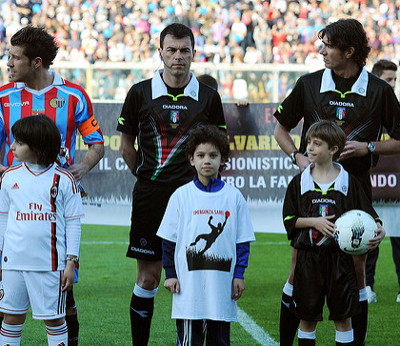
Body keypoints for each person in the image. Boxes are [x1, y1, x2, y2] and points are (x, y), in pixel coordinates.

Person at [273, 18, 400, 346]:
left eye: (328, 45)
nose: (321, 51)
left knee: (356, 267)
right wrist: (297, 158)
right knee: (299, 262)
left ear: (350, 51)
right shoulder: (309, 83)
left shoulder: (379, 91)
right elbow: (281, 130)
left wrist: (369, 147)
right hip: (310, 185)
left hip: (354, 188)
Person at [116, 23, 226, 345]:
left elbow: (218, 147)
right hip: (150, 196)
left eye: (185, 51)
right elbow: (126, 146)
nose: (178, 57)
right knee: (148, 279)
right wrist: (149, 176)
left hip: (193, 199)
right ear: (160, 52)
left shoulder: (208, 97)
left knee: (193, 276)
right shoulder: (139, 92)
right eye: (172, 50)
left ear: (194, 53)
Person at [0, 25, 105, 346]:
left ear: (36, 62)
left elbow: (96, 143)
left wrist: (81, 168)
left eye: (15, 58)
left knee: (62, 291)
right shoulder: (3, 98)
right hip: (14, 203)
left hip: (55, 204)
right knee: (8, 300)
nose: (8, 63)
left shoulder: (73, 96)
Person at [283, 120, 382, 346]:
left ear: (333, 149)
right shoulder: (299, 183)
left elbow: (368, 213)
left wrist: (380, 227)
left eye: (317, 144)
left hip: (341, 261)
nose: (309, 148)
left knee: (343, 319)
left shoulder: (350, 182)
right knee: (307, 320)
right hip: (309, 259)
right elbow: (289, 220)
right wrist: (314, 222)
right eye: (309, 142)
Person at [157, 125, 255, 345]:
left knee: (219, 340)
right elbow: (168, 240)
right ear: (192, 160)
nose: (207, 161)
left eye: (213, 155)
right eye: (200, 155)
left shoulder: (234, 197)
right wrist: (170, 273)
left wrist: (239, 274)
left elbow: (242, 241)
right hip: (188, 289)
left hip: (222, 287)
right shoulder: (181, 196)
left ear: (222, 159)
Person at [0, 115, 84, 346]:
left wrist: (71, 262)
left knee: (55, 320)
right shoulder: (9, 177)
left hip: (49, 265)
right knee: (11, 318)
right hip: (13, 263)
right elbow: (3, 221)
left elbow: (74, 223)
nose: (12, 146)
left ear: (37, 146)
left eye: (19, 142)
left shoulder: (64, 179)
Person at [367, 59, 400, 304]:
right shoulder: (365, 107)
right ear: (377, 79)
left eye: (395, 81)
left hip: (396, 185)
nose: (392, 85)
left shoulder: (395, 109)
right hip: (370, 183)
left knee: (399, 238)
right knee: (368, 234)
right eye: (388, 80)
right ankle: (366, 286)